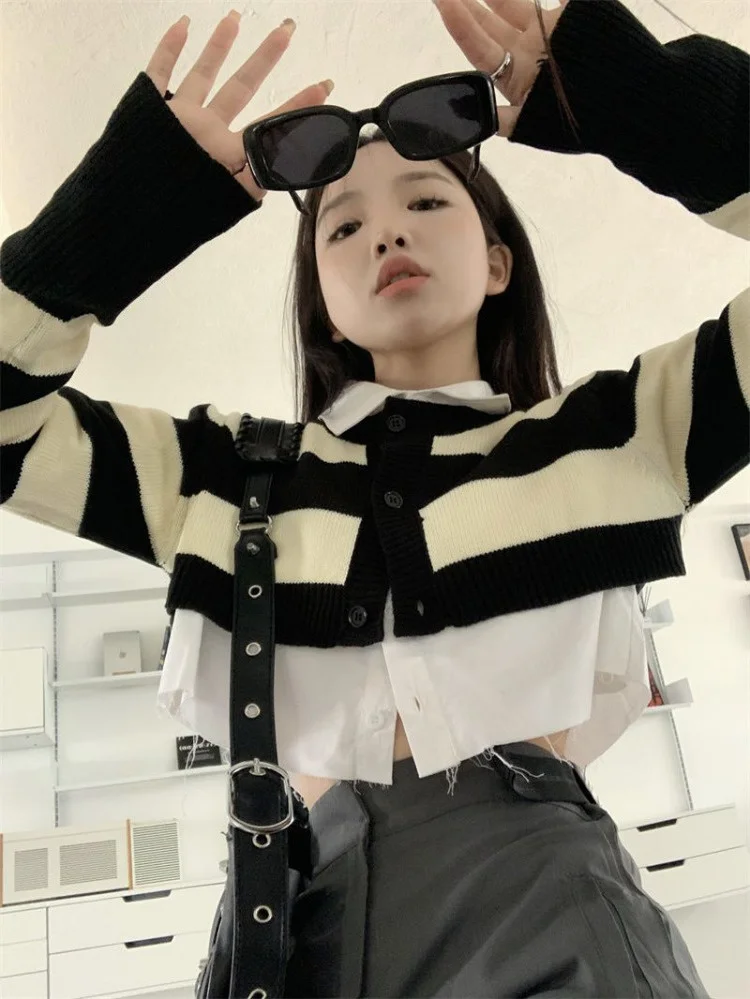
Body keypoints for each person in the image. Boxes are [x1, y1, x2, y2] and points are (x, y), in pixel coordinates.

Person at [1, 0, 747, 994]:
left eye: (427, 201)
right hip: (299, 928)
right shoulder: (222, 479)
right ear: (323, 299)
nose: (385, 229)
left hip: (547, 906)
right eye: (343, 224)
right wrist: (128, 213)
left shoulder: (620, 435)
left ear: (497, 261)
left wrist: (635, 96)